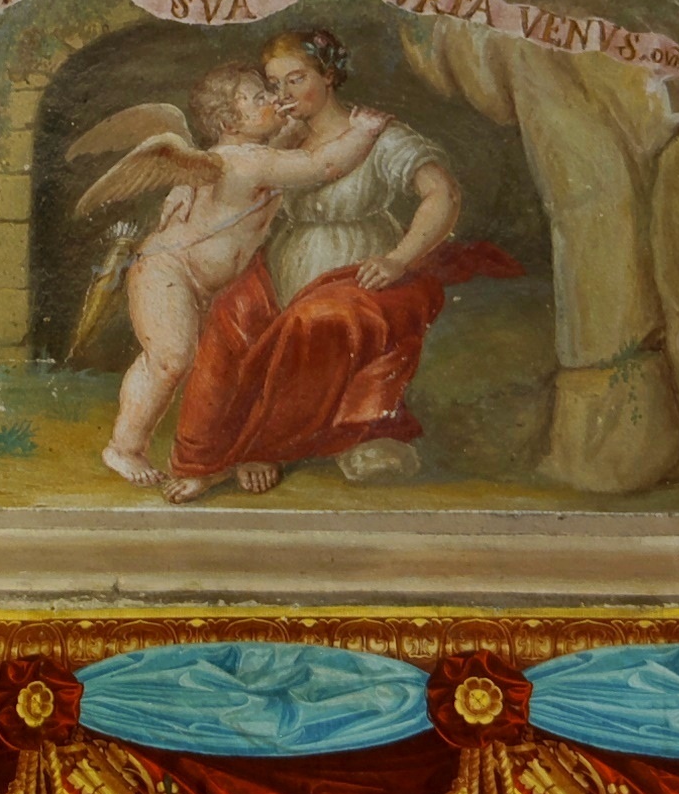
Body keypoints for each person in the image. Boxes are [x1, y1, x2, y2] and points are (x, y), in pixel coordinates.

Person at [164, 26, 514, 500]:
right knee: (231, 316)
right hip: (285, 266)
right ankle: (206, 457)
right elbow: (223, 163)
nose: (283, 94)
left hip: (365, 272)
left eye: (296, 78)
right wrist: (186, 185)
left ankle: (272, 443)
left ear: (328, 76)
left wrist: (398, 259)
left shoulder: (376, 131)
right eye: (274, 84)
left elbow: (442, 194)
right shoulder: (281, 137)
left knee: (318, 322)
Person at [62, 64, 387, 489]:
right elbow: (319, 165)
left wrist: (286, 120)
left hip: (208, 281)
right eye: (258, 98)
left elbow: (283, 152)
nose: (272, 98)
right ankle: (124, 447)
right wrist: (363, 131)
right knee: (170, 359)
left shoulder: (244, 155)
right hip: (167, 271)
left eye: (270, 91)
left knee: (227, 360)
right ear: (230, 122)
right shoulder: (245, 161)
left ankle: (229, 449)